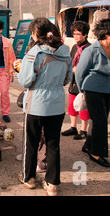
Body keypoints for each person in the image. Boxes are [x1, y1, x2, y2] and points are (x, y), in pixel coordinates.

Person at [17, 18, 72, 196]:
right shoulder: (65, 52)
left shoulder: (34, 53)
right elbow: (67, 79)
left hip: (36, 104)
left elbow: (25, 80)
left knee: (31, 143)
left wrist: (20, 68)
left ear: (34, 34)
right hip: (57, 105)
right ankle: (52, 183)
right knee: (53, 144)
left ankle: (29, 178)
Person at [75, 18, 110, 167]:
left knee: (100, 120)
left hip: (109, 88)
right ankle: (96, 153)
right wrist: (83, 90)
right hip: (93, 89)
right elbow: (79, 73)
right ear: (107, 33)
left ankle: (88, 145)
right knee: (100, 121)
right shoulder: (91, 50)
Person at [61, 21, 91, 140]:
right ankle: (73, 127)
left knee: (83, 106)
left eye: (79, 34)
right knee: (72, 106)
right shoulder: (74, 47)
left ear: (85, 35)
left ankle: (83, 130)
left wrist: (77, 70)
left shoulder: (89, 48)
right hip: (73, 81)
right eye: (74, 34)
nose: (76, 36)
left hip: (85, 81)